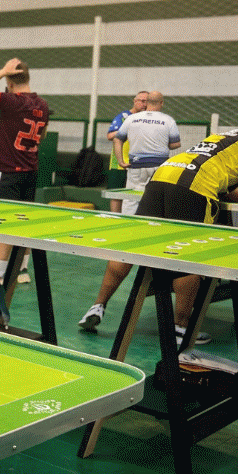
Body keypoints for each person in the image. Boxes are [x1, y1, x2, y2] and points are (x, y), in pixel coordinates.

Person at [81, 118, 238, 343]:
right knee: (189, 260)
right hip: (194, 187)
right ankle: (180, 328)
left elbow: (225, 189)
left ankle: (97, 306)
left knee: (134, 247)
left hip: (162, 178)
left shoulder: (230, 135)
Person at [79, 91, 182, 331]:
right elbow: (175, 145)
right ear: (161, 103)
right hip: (160, 172)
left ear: (146, 103)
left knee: (130, 222)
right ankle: (180, 326)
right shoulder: (168, 120)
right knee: (161, 225)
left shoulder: (131, 118)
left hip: (135, 169)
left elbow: (117, 139)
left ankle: (98, 305)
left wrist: (121, 160)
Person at [0, 58, 50, 286]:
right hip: (30, 170)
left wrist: (2, 71)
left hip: (7, 170)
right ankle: (21, 269)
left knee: (1, 220)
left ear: (9, 81)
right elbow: (41, 135)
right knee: (22, 220)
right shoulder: (42, 104)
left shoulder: (12, 101)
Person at [106, 91, 149, 212]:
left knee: (138, 195)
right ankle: (115, 218)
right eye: (142, 101)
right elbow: (110, 136)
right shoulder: (124, 117)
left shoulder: (150, 119)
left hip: (140, 165)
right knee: (116, 194)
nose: (144, 104)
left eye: (147, 102)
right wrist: (128, 128)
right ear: (135, 101)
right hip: (120, 165)